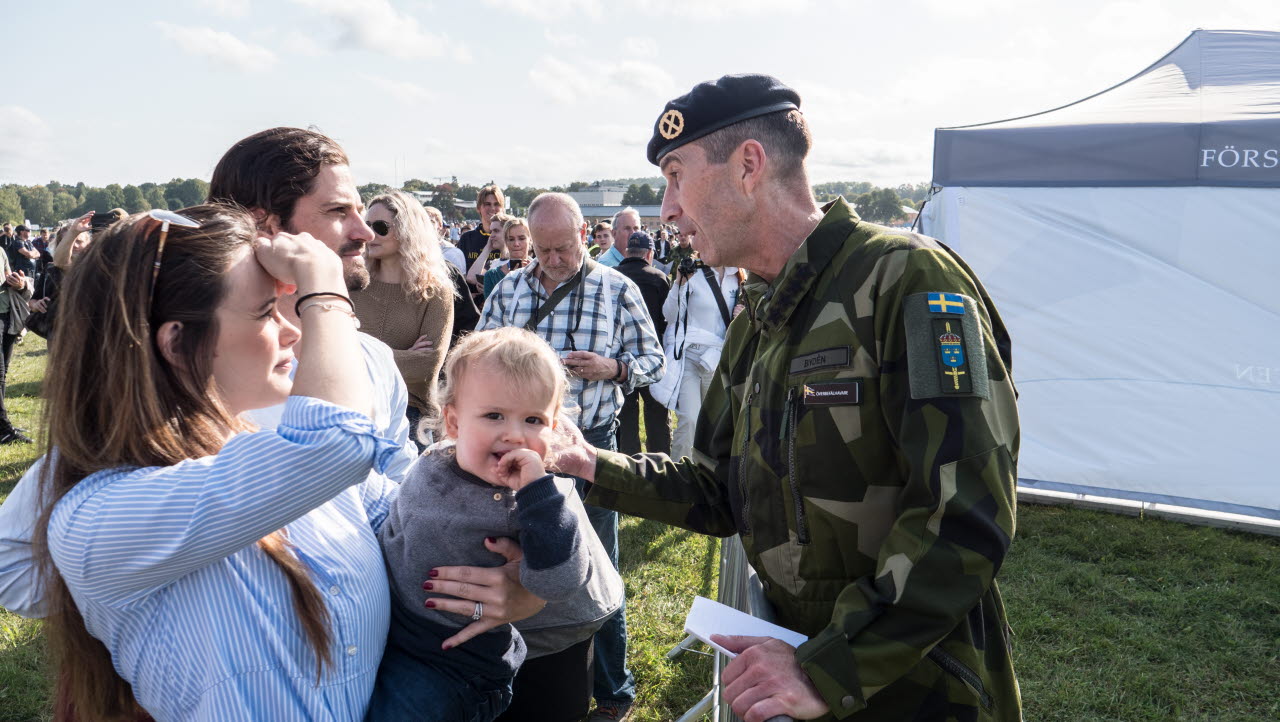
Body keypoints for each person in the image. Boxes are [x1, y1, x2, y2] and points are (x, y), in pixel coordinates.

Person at [552, 74, 1021, 721]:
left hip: (915, 687)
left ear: (748, 165)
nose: (667, 210)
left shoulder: (908, 280)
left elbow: (965, 512)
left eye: (676, 176)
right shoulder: (759, 312)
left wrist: (829, 668)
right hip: (805, 672)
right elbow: (720, 488)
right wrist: (590, 464)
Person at [34, 204, 399, 720]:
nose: (291, 331)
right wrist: (325, 290)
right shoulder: (96, 522)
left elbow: (419, 522)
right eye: (264, 312)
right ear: (177, 344)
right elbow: (338, 443)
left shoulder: (276, 453)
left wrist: (516, 585)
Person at [366, 327, 623, 722]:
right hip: (391, 632)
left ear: (554, 428)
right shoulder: (434, 461)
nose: (514, 434)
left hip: (454, 662)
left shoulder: (533, 500)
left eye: (533, 419)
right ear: (453, 422)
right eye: (494, 415)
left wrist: (539, 493)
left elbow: (560, 582)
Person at [479, 193, 665, 721]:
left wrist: (614, 368)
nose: (553, 259)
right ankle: (524, 676)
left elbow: (654, 360)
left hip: (592, 446)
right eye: (543, 250)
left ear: (585, 234)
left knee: (597, 565)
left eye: (562, 247)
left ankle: (613, 692)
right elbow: (477, 353)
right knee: (523, 561)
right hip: (519, 454)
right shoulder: (510, 288)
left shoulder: (617, 289)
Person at [353, 190, 457, 451]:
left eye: (380, 227)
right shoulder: (353, 282)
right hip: (354, 408)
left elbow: (426, 367)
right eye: (367, 225)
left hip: (411, 417)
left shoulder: (435, 291)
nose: (369, 234)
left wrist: (358, 355)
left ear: (408, 231)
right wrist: (401, 356)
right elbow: (334, 350)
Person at [650, 255, 743, 461]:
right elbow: (670, 314)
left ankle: (708, 474)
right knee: (690, 419)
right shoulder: (692, 271)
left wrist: (742, 315)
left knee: (715, 423)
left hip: (719, 357)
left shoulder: (738, 275)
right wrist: (679, 283)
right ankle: (680, 480)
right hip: (690, 356)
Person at [613, 231, 671, 457]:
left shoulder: (613, 276)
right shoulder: (658, 277)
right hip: (651, 355)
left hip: (620, 358)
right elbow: (668, 317)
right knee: (656, 415)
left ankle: (629, 467)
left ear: (627, 252)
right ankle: (659, 464)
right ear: (649, 254)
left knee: (625, 417)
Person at [0, 237, 33, 444]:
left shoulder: (0, 251)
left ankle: (1, 424)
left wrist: (19, 283)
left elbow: (7, 277)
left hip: (6, 315)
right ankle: (3, 428)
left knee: (3, 373)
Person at [459, 185, 507, 298]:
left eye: (496, 204)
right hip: (474, 305)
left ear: (502, 208)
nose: (492, 208)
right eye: (487, 204)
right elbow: (461, 275)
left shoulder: (510, 237)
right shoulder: (467, 239)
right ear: (478, 208)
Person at [483, 217, 532, 300]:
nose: (516, 244)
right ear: (506, 242)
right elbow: (491, 310)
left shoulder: (541, 270)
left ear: (530, 239)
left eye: (521, 238)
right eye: (511, 239)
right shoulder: (492, 276)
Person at [467, 212, 513, 291]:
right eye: (491, 232)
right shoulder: (492, 263)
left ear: (508, 232)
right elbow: (471, 278)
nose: (491, 235)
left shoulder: (519, 262)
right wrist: (487, 249)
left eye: (496, 231)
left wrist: (491, 289)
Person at [426, 204, 467, 272]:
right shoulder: (409, 252)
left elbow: (460, 280)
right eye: (422, 221)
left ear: (440, 225)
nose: (426, 225)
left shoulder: (453, 253)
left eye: (431, 222)